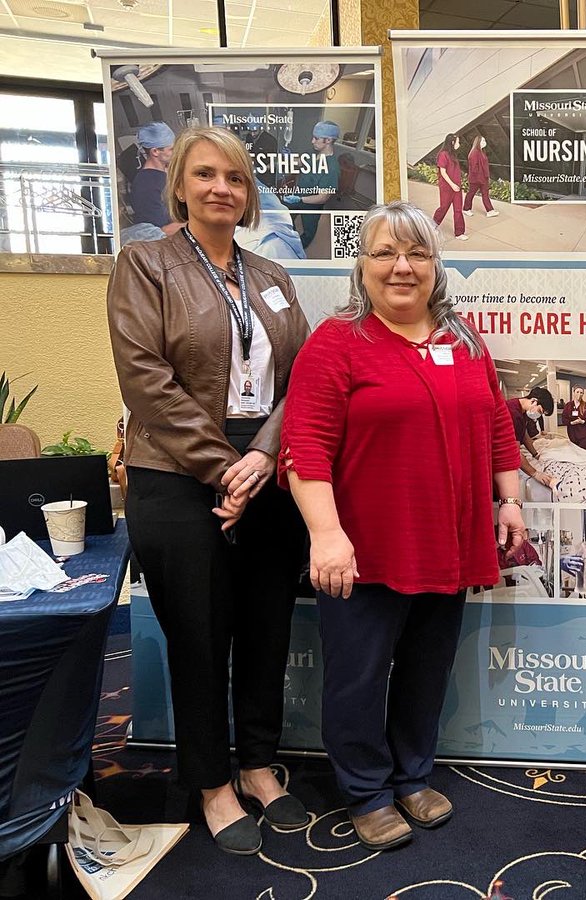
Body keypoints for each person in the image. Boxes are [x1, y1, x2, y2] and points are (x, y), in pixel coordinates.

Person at [279, 200, 525, 852]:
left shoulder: (463, 340)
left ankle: (413, 774)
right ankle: (365, 790)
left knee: (425, 669)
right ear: (361, 267)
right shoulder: (336, 343)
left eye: (416, 253)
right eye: (385, 253)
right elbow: (304, 446)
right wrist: (327, 535)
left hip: (448, 542)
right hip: (366, 549)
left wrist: (510, 501)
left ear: (435, 266)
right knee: (358, 676)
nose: (402, 267)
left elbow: (497, 424)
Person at [107, 126, 311, 855]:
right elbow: (146, 380)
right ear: (180, 185)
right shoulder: (146, 264)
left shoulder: (274, 278)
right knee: (198, 636)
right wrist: (223, 467)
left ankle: (257, 765)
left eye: (234, 176)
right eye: (205, 174)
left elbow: (302, 382)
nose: (221, 187)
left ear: (249, 191)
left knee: (266, 629)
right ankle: (212, 782)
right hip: (175, 472)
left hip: (267, 469)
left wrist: (260, 458)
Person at [282, 120, 341, 249]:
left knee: (309, 230)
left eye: (316, 138)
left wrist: (300, 199)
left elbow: (323, 197)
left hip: (312, 204)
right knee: (284, 214)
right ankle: (290, 237)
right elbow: (300, 162)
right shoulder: (313, 153)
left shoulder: (332, 168)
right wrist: (288, 159)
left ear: (329, 140)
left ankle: (299, 248)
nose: (312, 141)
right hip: (298, 195)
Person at [128, 121, 183, 237]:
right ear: (155, 151)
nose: (176, 153)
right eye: (171, 149)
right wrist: (196, 224)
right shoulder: (146, 186)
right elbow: (161, 232)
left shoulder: (164, 173)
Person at [506, 386, 555, 490]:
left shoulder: (522, 412)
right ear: (534, 401)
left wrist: (536, 454)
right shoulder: (512, 413)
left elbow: (524, 435)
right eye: (540, 411)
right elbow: (514, 452)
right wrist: (535, 473)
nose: (538, 415)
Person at [432, 133, 467, 241]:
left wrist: (457, 185)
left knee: (458, 210)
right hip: (447, 187)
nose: (459, 144)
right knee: (443, 208)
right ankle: (432, 226)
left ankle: (459, 232)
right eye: (458, 142)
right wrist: (452, 185)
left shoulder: (453, 155)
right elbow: (443, 172)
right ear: (452, 142)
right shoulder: (443, 154)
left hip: (457, 187)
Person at [464, 135, 498, 218]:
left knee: (485, 194)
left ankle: (490, 211)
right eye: (482, 141)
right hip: (477, 179)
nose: (484, 142)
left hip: (483, 178)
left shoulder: (481, 152)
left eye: (484, 140)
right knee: (471, 193)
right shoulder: (474, 153)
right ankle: (466, 209)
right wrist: (480, 178)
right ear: (478, 142)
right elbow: (474, 168)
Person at [560, 386, 586, 450]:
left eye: (581, 393)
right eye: (577, 392)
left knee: (583, 452)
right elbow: (564, 420)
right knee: (574, 453)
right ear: (573, 393)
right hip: (572, 434)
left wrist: (582, 421)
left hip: (583, 434)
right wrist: (572, 422)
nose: (579, 394)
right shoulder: (568, 405)